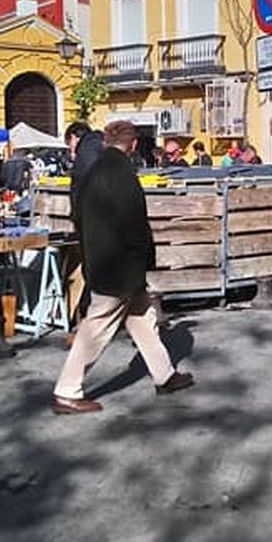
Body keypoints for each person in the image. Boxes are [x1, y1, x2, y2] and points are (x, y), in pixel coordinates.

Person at [51, 121, 193, 414]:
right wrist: (146, 258)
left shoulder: (93, 171)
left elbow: (79, 216)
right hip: (119, 265)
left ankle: (164, 375)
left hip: (102, 259)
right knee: (97, 326)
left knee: (142, 317)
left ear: (106, 140)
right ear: (134, 144)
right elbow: (134, 224)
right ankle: (67, 391)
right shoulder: (123, 174)